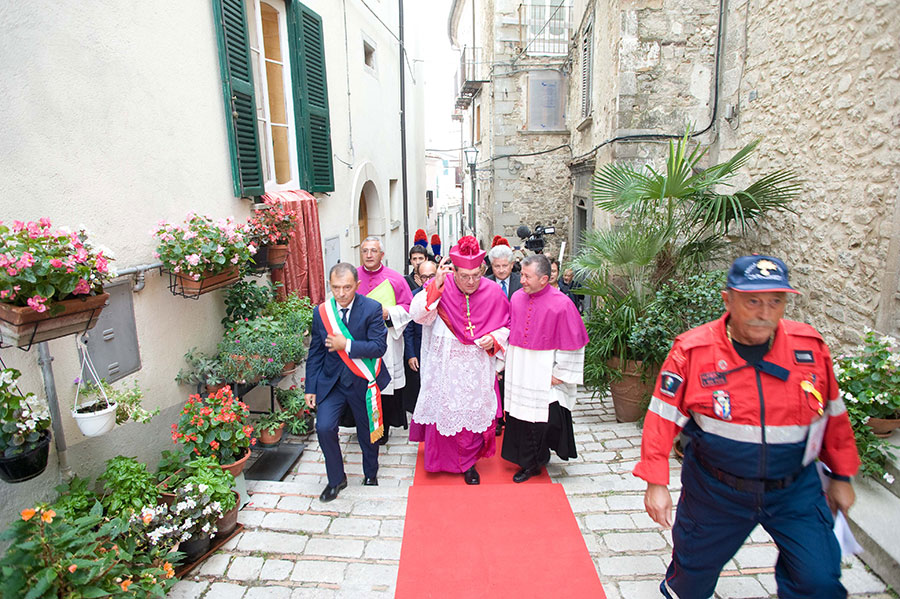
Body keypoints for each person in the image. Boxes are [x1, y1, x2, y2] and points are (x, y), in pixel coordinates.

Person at [633, 255, 860, 599]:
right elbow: (661, 418)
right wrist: (656, 482)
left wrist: (841, 476)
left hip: (794, 491)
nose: (764, 311)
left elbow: (834, 416)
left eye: (775, 301)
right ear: (728, 299)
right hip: (716, 491)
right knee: (690, 581)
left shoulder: (810, 348)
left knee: (820, 581)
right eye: (752, 300)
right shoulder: (693, 351)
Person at [409, 236, 510, 484]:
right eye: (464, 276)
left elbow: (507, 326)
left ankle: (469, 464)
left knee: (470, 415)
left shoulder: (494, 291)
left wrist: (495, 340)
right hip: (445, 365)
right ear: (454, 271)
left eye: (476, 275)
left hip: (475, 365)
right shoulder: (442, 285)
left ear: (483, 271)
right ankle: (440, 460)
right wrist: (436, 286)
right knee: (445, 411)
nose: (471, 281)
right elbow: (418, 315)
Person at [305, 263, 391, 502]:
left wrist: (347, 345)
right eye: (336, 288)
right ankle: (336, 479)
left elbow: (378, 346)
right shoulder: (322, 312)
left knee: (367, 431)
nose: (341, 294)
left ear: (357, 285)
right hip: (331, 382)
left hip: (362, 381)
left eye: (347, 287)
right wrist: (310, 387)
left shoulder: (372, 309)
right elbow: (315, 352)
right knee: (324, 428)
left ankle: (370, 473)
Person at [501, 254, 589, 482]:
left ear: (544, 279)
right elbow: (509, 331)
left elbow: (573, 341)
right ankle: (528, 457)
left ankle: (533, 463)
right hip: (520, 367)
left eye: (527, 276)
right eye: (521, 275)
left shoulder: (562, 303)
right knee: (519, 416)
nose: (521, 280)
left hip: (544, 370)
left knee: (541, 419)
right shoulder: (517, 298)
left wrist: (560, 374)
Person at [355, 236, 413, 444]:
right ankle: (362, 427)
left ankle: (383, 429)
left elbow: (409, 308)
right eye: (365, 251)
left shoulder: (396, 279)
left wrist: (389, 313)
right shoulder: (352, 278)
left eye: (373, 251)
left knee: (384, 386)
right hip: (359, 342)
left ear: (382, 254)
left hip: (387, 342)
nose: (369, 255)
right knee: (359, 385)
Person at [402, 259, 437, 414]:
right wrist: (410, 354)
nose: (428, 281)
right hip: (419, 349)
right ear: (418, 278)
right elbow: (408, 329)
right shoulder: (414, 297)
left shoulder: (447, 295)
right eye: (424, 277)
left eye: (432, 276)